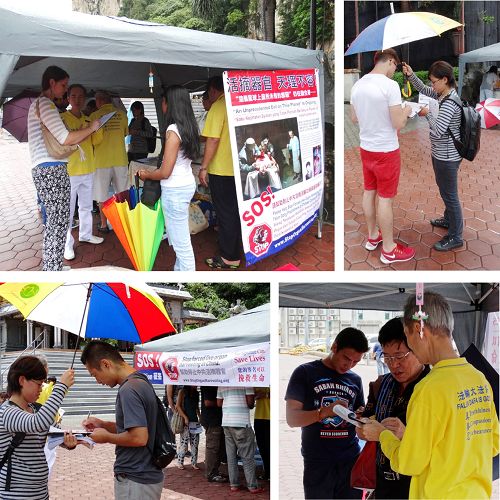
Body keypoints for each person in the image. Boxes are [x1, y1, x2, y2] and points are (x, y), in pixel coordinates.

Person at [357, 292, 499, 499]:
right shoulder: (479, 378)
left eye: (407, 338)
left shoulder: (429, 388)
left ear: (418, 329)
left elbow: (409, 462)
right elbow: (493, 445)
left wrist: (382, 435)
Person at [27, 65, 100, 271]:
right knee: (58, 223)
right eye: (64, 85)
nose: (65, 90)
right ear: (52, 83)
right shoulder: (46, 104)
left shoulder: (39, 105)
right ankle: (52, 269)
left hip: (45, 168)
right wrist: (91, 128)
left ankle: (54, 266)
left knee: (56, 221)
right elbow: (65, 138)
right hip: (51, 169)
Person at [285, 327, 369, 499]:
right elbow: (292, 419)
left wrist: (361, 417)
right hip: (318, 461)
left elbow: (359, 420)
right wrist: (322, 413)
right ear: (334, 347)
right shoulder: (305, 372)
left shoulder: (355, 380)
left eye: (356, 362)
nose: (349, 365)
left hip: (350, 459)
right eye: (346, 358)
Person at [350, 49, 414, 265]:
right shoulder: (390, 86)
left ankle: (372, 236)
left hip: (366, 148)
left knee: (370, 191)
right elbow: (399, 124)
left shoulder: (358, 85)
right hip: (386, 151)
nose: (394, 71)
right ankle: (388, 249)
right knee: (385, 198)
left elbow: (353, 118)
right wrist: (406, 110)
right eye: (395, 66)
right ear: (389, 61)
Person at [80, 340, 164, 500]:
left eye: (94, 374)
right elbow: (135, 428)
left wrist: (106, 437)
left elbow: (139, 437)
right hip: (143, 476)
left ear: (105, 364)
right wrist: (104, 425)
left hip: (136, 478)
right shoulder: (141, 381)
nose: (97, 381)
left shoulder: (128, 389)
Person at [362, 318, 430, 499]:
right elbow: (364, 426)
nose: (393, 364)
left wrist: (407, 434)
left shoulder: (433, 388)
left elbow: (446, 443)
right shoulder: (380, 384)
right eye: (387, 357)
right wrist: (364, 427)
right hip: (382, 482)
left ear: (417, 349)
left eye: (400, 356)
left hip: (417, 485)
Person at [403, 60, 464, 251]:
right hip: (441, 154)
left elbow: (437, 131)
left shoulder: (450, 103)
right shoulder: (442, 94)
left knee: (450, 195)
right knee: (445, 190)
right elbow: (422, 89)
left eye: (434, 82)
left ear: (445, 80)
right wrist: (411, 74)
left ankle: (455, 236)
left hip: (447, 157)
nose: (431, 86)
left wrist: (426, 114)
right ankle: (448, 220)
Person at [138, 85, 200, 271]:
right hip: (186, 183)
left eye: (163, 101)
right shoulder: (189, 126)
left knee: (181, 245)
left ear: (169, 104)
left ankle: (187, 275)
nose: (162, 105)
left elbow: (165, 172)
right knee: (179, 238)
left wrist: (145, 174)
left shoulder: (173, 130)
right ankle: (179, 272)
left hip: (174, 190)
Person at [0, 356, 76, 498]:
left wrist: (68, 441)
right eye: (39, 384)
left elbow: (56, 432)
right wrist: (61, 386)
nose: (42, 389)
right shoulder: (6, 412)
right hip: (16, 494)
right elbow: (38, 423)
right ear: (22, 380)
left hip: (40, 492)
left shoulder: (35, 409)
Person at [199, 76, 241, 269]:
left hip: (222, 170)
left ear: (213, 91)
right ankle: (234, 247)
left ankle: (229, 257)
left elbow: (212, 140)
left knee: (226, 212)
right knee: (235, 210)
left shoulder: (218, 107)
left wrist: (204, 167)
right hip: (240, 168)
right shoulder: (237, 101)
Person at [61, 84, 104, 262]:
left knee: (86, 206)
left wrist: (97, 127)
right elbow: (67, 139)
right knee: (68, 211)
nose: (77, 100)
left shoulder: (89, 119)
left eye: (80, 96)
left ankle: (86, 234)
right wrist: (87, 130)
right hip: (70, 170)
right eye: (74, 96)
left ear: (85, 99)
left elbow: (97, 140)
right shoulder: (62, 118)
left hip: (88, 168)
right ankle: (66, 244)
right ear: (68, 98)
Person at [90, 89, 129, 234]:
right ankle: (124, 222)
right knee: (123, 192)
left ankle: (104, 224)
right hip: (120, 159)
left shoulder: (94, 116)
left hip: (101, 161)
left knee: (102, 195)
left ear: (99, 101)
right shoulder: (122, 115)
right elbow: (126, 133)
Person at [217, 386, 264, 494]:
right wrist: (255, 395)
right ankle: (252, 486)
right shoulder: (246, 382)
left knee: (231, 457)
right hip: (241, 423)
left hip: (227, 423)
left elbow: (219, 403)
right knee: (247, 457)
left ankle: (234, 485)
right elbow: (250, 404)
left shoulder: (222, 382)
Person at [200, 386, 228, 483]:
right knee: (213, 448)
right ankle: (211, 474)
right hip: (212, 421)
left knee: (218, 448)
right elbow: (207, 402)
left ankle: (215, 471)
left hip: (217, 420)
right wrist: (223, 402)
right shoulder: (209, 383)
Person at [175, 386, 201, 470]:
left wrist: (199, 416)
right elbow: (178, 406)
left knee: (195, 443)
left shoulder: (196, 393)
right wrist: (185, 417)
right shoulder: (182, 392)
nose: (196, 385)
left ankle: (194, 463)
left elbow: (196, 406)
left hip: (194, 420)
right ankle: (180, 462)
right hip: (185, 421)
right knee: (184, 442)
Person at [254, 387, 270, 481]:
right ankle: (267, 473)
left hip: (271, 416)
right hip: (259, 416)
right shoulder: (258, 379)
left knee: (269, 447)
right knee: (262, 447)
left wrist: (266, 395)